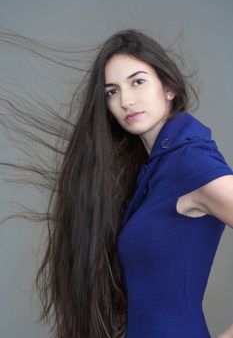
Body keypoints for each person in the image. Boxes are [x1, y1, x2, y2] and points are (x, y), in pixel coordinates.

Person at [0, 28, 233, 338]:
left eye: (138, 82)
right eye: (112, 91)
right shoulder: (152, 172)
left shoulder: (190, 162)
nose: (126, 100)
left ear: (169, 88)